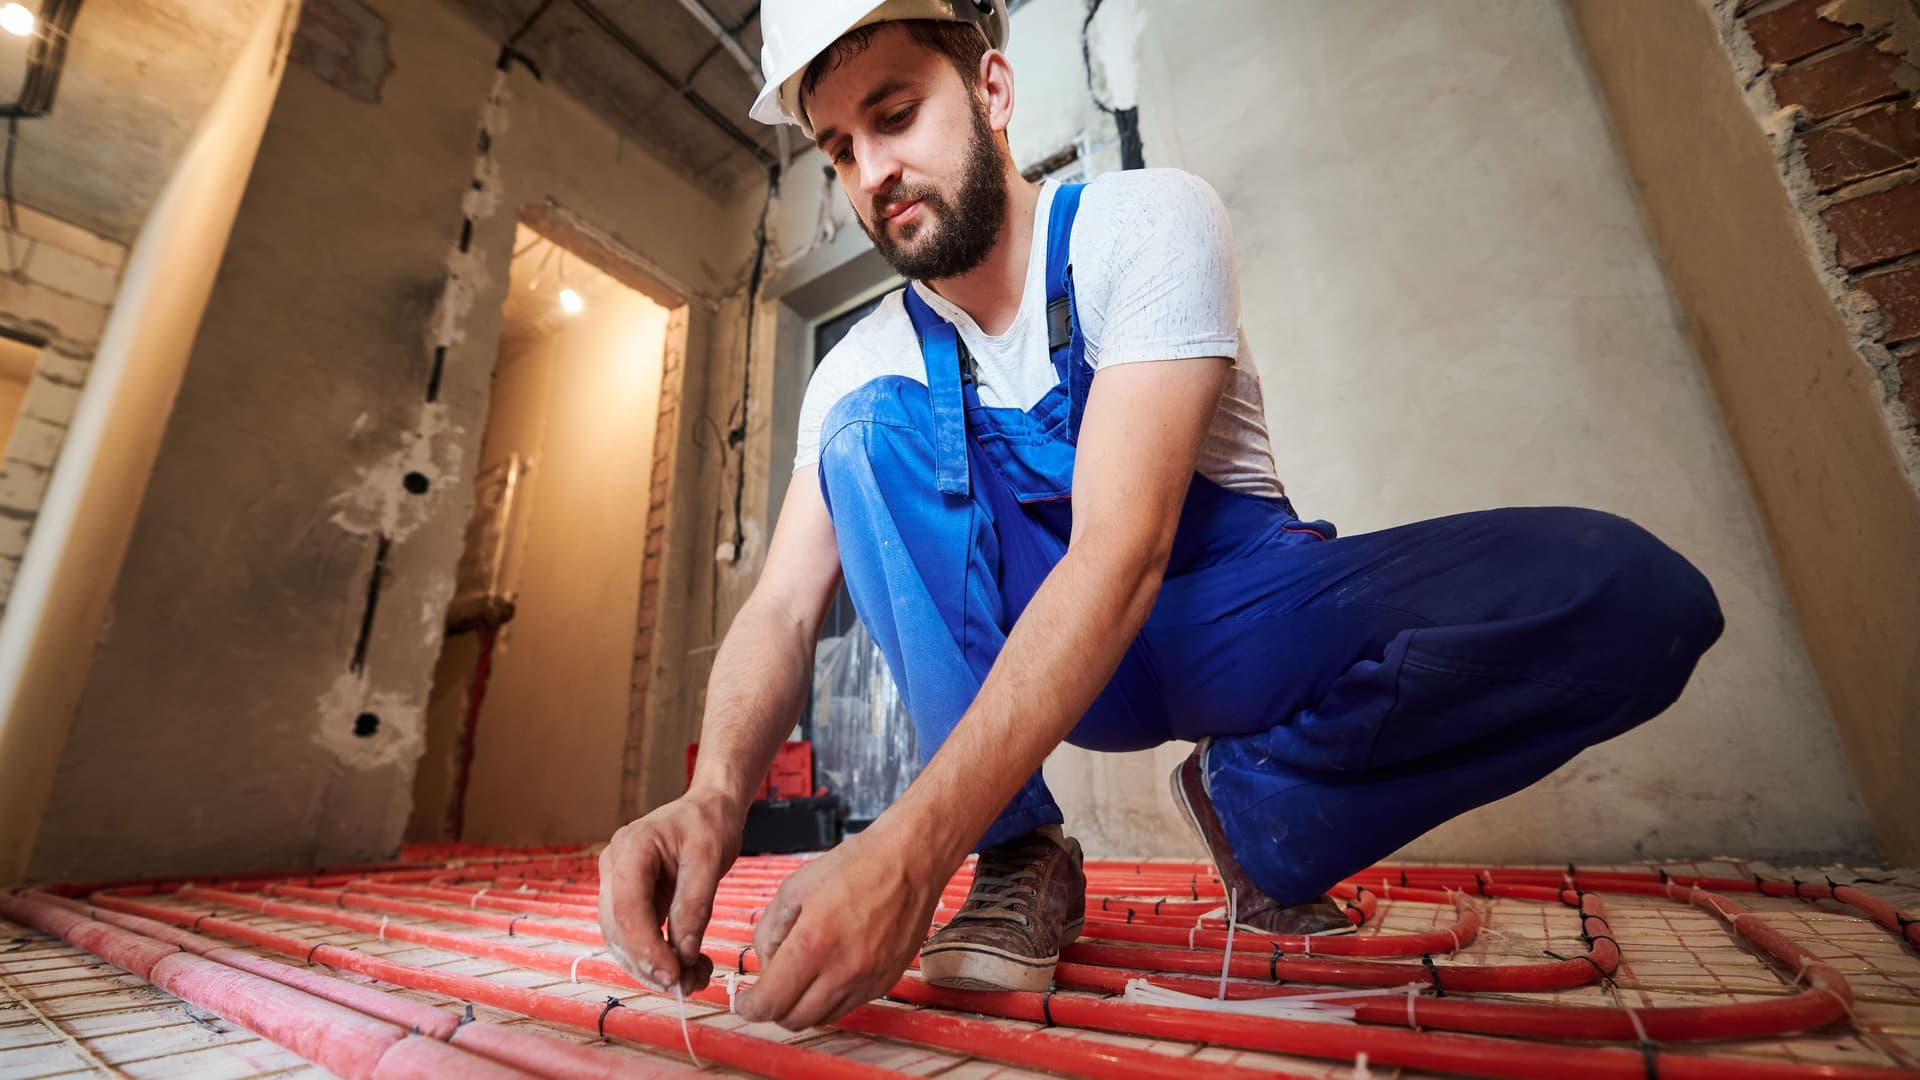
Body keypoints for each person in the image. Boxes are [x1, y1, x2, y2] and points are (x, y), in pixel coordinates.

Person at [597, 0, 1724, 1031]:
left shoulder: (1144, 223)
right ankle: (1018, 853)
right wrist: (713, 798)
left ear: (992, 90)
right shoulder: (863, 372)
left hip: (1230, 617)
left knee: (1635, 597)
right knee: (861, 428)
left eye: (895, 115)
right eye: (840, 149)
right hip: (1038, 657)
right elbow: (786, 609)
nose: (872, 172)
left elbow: (1123, 551)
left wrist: (904, 849)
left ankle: (1261, 808)